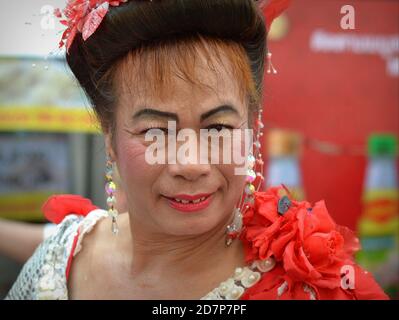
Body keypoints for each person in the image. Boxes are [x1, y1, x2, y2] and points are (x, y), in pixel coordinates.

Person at [6, 0, 388, 300]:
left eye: (218, 127)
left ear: (253, 125)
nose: (191, 164)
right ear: (109, 136)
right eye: (155, 130)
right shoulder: (58, 264)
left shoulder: (312, 288)